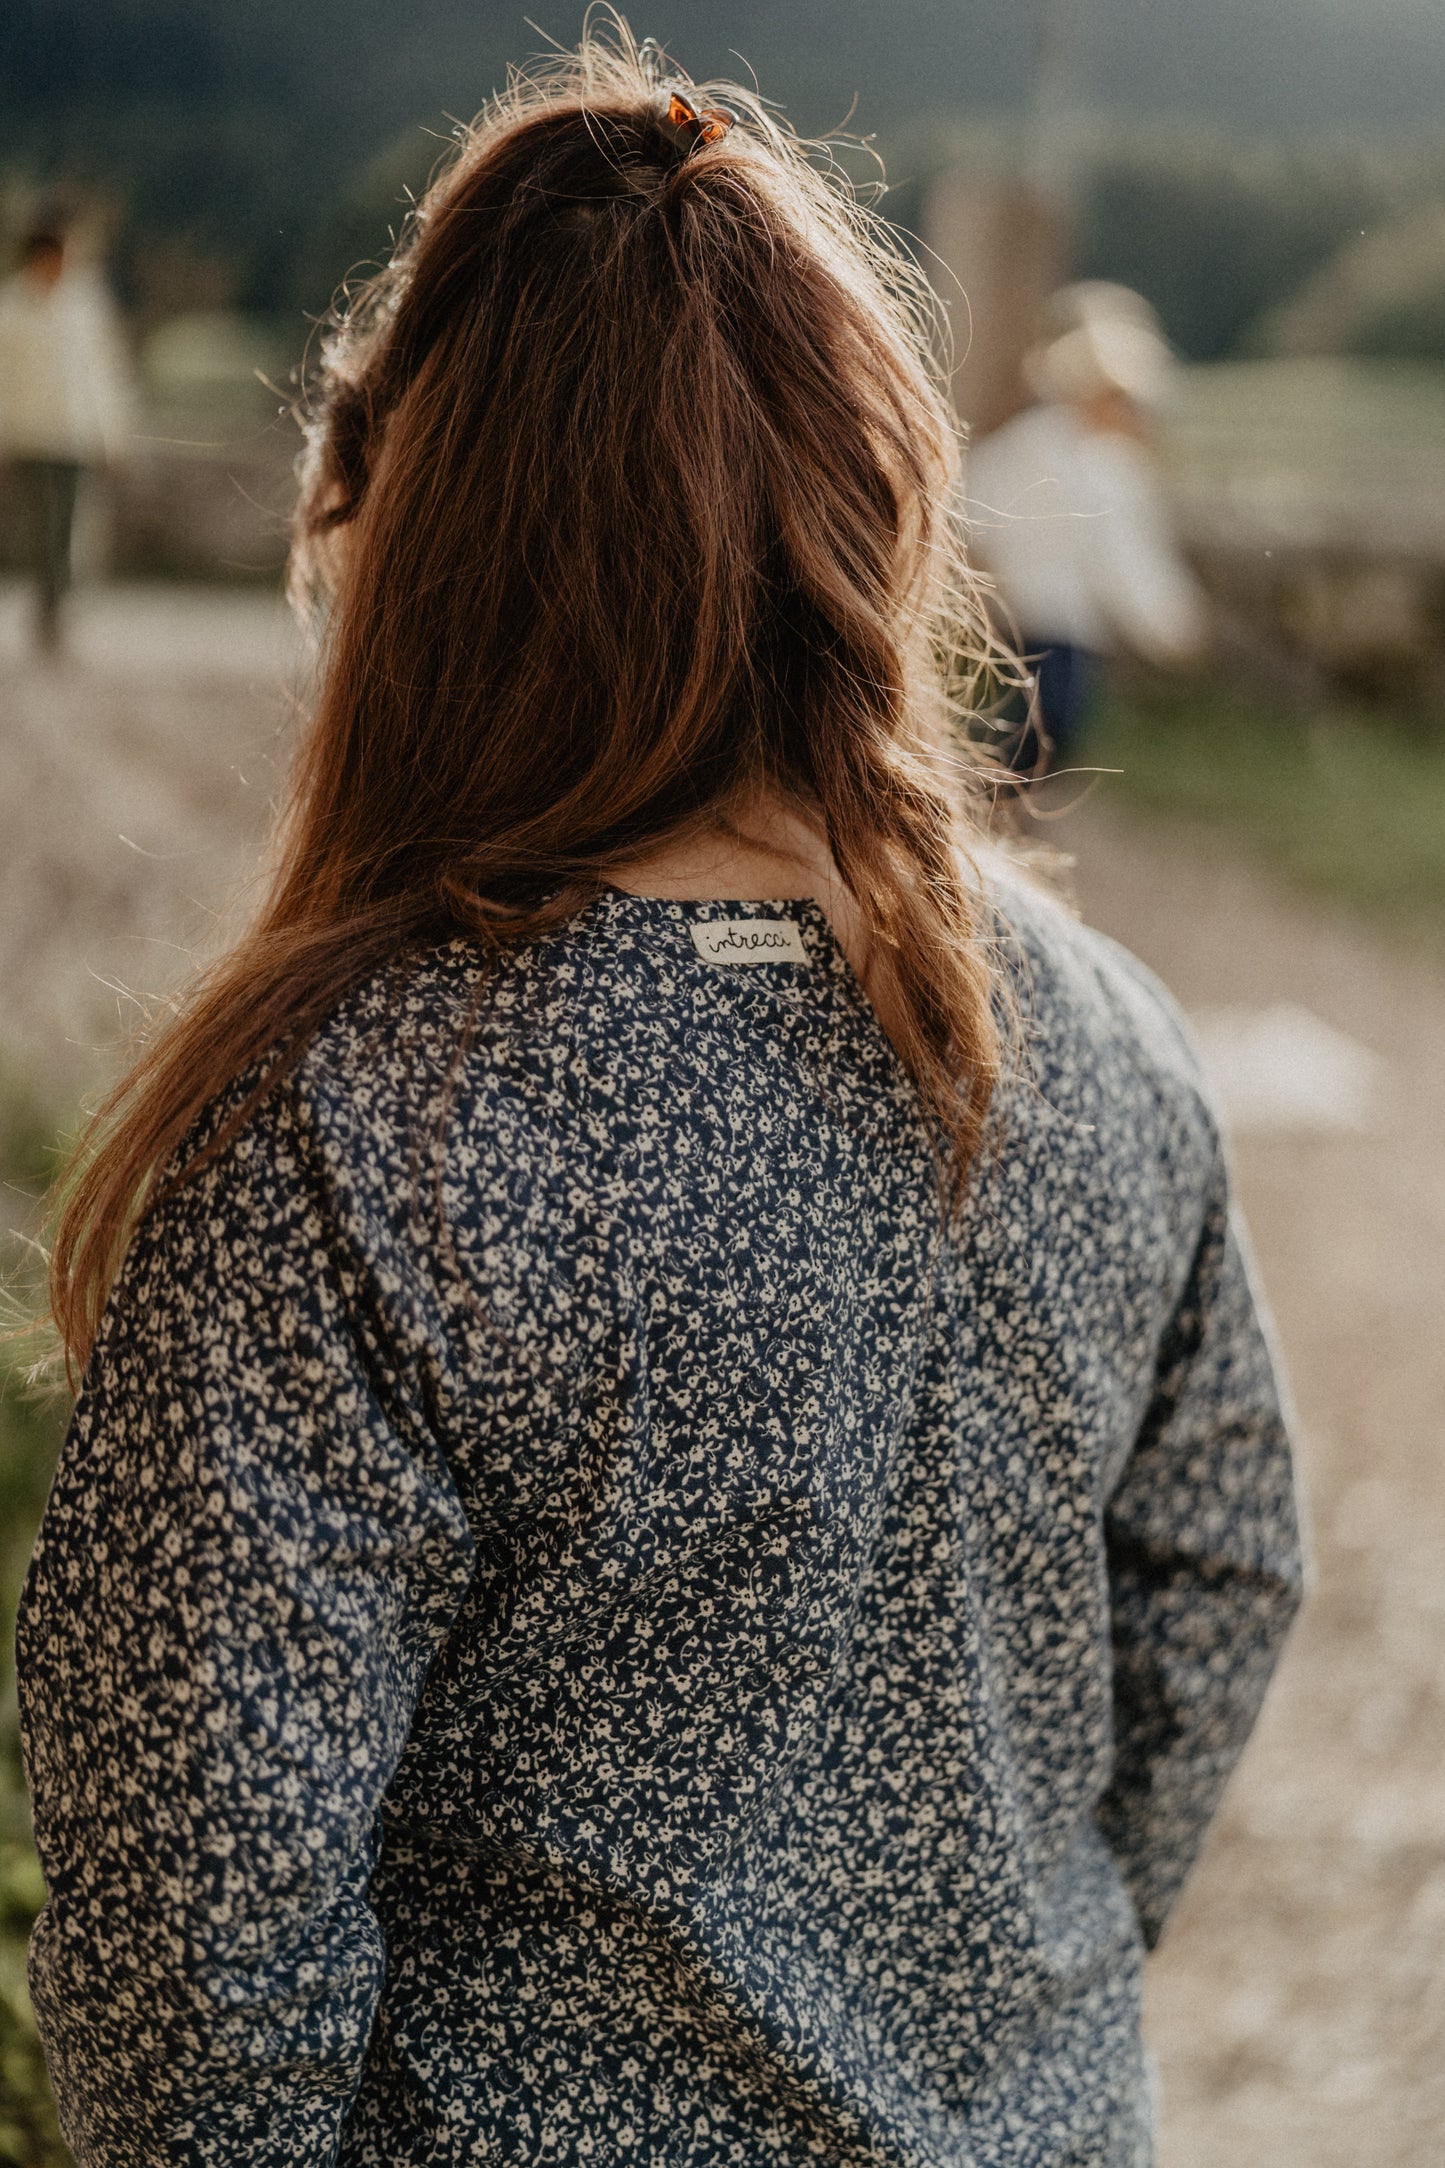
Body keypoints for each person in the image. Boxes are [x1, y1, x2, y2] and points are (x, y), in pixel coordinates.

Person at [19, 32, 1301, 2168]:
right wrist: (999, 1992)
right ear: (870, 500)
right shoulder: (1116, 1044)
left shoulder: (357, 1140)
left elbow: (193, 1937)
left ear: (430, 539)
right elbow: (1223, 1571)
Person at [966, 284, 1209, 776]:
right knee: (1047, 731)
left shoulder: (1087, 459)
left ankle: (990, 813)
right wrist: (1171, 624)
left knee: (1043, 731)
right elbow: (1126, 561)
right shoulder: (1073, 460)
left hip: (1052, 618)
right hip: (1042, 619)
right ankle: (984, 815)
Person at [0, 223, 133, 653]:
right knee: (43, 527)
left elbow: (103, 374)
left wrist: (112, 433)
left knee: (71, 529)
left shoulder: (85, 305)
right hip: (30, 436)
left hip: (74, 436)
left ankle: (57, 610)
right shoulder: (12, 307)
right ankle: (48, 609)